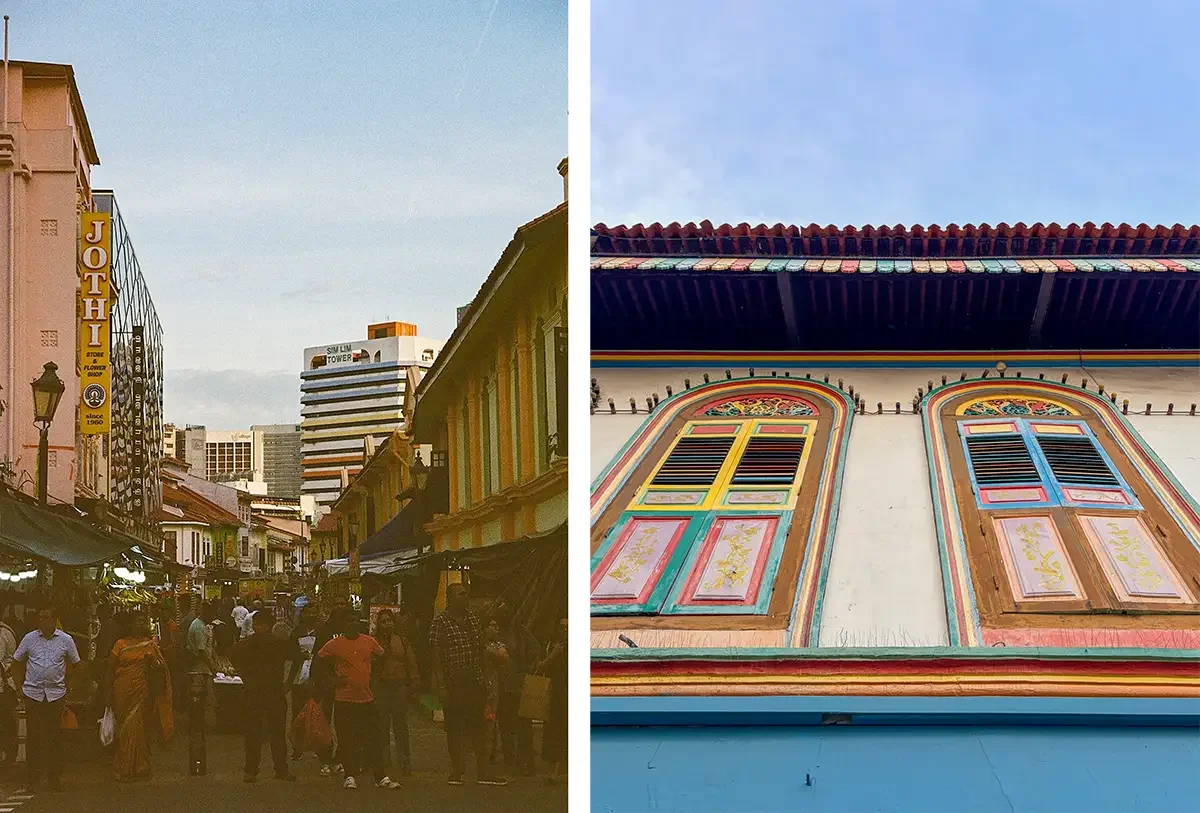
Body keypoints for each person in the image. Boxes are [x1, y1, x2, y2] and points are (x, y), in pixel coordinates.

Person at [429, 583, 507, 786]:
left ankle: (483, 770)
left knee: (478, 726)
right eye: (461, 594)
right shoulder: (441, 622)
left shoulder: (471, 618)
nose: (465, 597)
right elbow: (436, 654)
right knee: (454, 727)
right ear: (451, 598)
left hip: (474, 679)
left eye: (466, 594)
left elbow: (479, 644)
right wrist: (441, 685)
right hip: (454, 681)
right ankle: (457, 770)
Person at [317, 614, 399, 790]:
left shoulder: (368, 641)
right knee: (347, 739)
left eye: (355, 621)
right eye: (349, 621)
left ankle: (380, 776)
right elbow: (319, 661)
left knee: (373, 738)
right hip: (344, 700)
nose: (352, 624)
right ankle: (349, 775)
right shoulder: (335, 643)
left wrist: (373, 677)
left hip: (366, 698)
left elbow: (383, 657)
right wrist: (331, 680)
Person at [12, 606, 81, 792]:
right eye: (39, 617)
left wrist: (70, 686)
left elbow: (76, 664)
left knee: (54, 738)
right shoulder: (29, 638)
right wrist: (20, 687)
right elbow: (16, 662)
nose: (41, 621)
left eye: (45, 617)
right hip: (33, 695)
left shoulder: (65, 640)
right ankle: (33, 780)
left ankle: (54, 779)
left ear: (54, 620)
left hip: (56, 695)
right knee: (34, 738)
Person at [230, 610, 297, 783]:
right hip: (256, 692)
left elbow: (297, 658)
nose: (260, 628)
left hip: (272, 691)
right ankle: (253, 770)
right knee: (254, 733)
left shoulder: (278, 643)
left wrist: (288, 682)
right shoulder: (249, 643)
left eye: (263, 624)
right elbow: (232, 655)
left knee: (275, 733)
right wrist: (245, 676)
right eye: (257, 624)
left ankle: (278, 769)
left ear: (270, 625)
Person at [110, 611, 173, 781]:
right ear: (130, 624)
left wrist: (153, 663)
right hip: (122, 691)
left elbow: (159, 668)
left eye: (143, 621)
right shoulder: (120, 644)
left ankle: (140, 767)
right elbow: (110, 668)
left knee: (140, 729)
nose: (141, 624)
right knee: (124, 729)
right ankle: (124, 767)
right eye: (138, 621)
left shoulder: (149, 645)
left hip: (141, 692)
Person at [492, 601, 539, 775]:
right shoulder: (495, 633)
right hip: (501, 686)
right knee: (505, 725)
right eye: (501, 613)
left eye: (506, 613)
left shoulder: (519, 632)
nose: (504, 616)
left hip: (519, 685)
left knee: (524, 726)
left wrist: (528, 667)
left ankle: (525, 761)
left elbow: (535, 648)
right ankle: (509, 759)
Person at [372, 610, 418, 777]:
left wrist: (413, 682)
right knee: (382, 725)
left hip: (399, 687)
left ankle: (405, 762)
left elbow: (410, 662)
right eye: (383, 621)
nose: (387, 624)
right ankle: (384, 761)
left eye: (389, 621)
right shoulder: (374, 642)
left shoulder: (402, 641)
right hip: (381, 687)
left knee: (400, 726)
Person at [312, 599, 348, 776]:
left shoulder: (352, 632)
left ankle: (340, 758)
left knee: (343, 723)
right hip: (327, 684)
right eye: (338, 604)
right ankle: (324, 758)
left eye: (343, 604)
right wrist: (318, 681)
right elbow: (317, 658)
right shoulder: (324, 631)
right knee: (324, 723)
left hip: (346, 685)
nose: (340, 606)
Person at [185, 602, 217, 776]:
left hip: (201, 670)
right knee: (197, 717)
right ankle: (197, 762)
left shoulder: (205, 626)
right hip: (197, 671)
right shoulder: (198, 627)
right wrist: (213, 666)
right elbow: (201, 651)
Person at [538, 617, 567, 784]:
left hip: (565, 692)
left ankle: (557, 769)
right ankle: (555, 768)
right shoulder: (553, 645)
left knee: (561, 729)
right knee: (555, 729)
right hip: (555, 692)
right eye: (562, 627)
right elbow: (542, 666)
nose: (564, 631)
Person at [0, 612, 19, 765]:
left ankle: (8, 756)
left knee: (5, 724)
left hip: (2, 686)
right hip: (7, 685)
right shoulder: (8, 630)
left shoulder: (1, 634)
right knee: (8, 723)